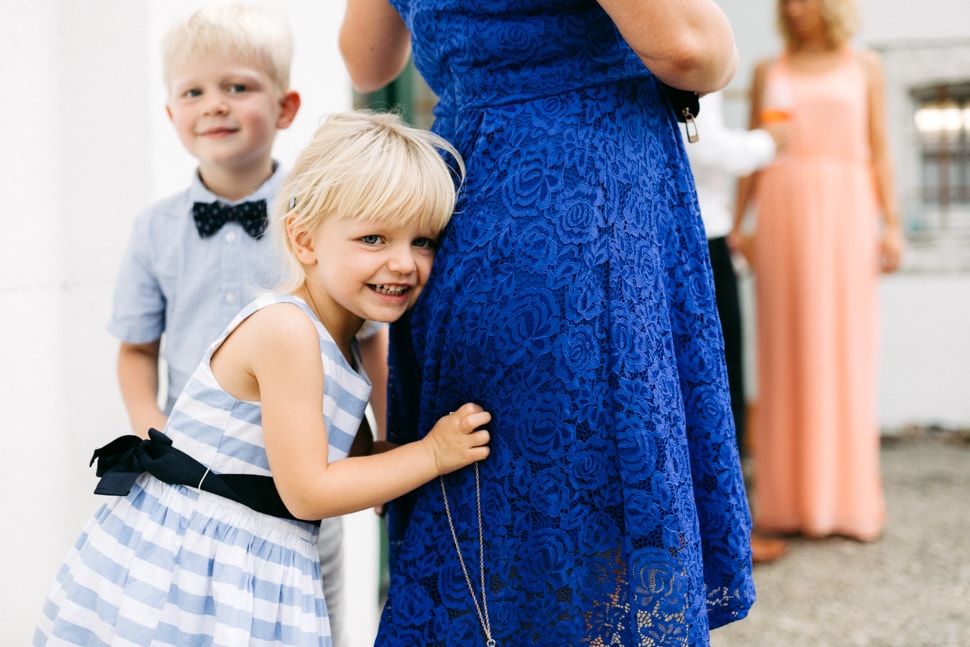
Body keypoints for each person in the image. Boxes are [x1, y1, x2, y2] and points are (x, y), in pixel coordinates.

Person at [341, 2, 754, 645]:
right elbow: (688, 48)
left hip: (463, 202)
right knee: (593, 480)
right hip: (579, 202)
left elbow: (366, 62)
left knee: (482, 486)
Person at [34, 110, 488, 647]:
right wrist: (431, 455)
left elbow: (358, 465)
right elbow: (310, 491)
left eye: (423, 241)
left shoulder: (343, 341)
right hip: (197, 567)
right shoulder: (287, 330)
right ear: (305, 241)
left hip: (255, 563)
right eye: (373, 238)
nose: (404, 263)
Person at [105, 6, 388, 642]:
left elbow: (369, 340)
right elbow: (135, 348)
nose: (215, 106)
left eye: (238, 87)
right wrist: (147, 421)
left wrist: (383, 439)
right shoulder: (154, 230)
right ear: (171, 113)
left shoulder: (324, 215)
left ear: (286, 107)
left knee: (313, 621)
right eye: (193, 92)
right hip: (200, 480)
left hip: (308, 481)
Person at [731, 0, 904, 542]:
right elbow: (754, 155)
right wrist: (739, 224)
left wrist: (891, 223)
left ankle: (848, 504)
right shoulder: (767, 69)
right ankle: (787, 502)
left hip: (847, 215)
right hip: (782, 216)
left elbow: (880, 151)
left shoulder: (866, 67)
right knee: (787, 348)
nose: (794, 7)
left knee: (845, 349)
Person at [681, 90, 790, 564]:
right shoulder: (685, 30)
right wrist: (768, 143)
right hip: (702, 229)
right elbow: (702, 142)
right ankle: (730, 538)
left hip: (691, 225)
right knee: (719, 385)